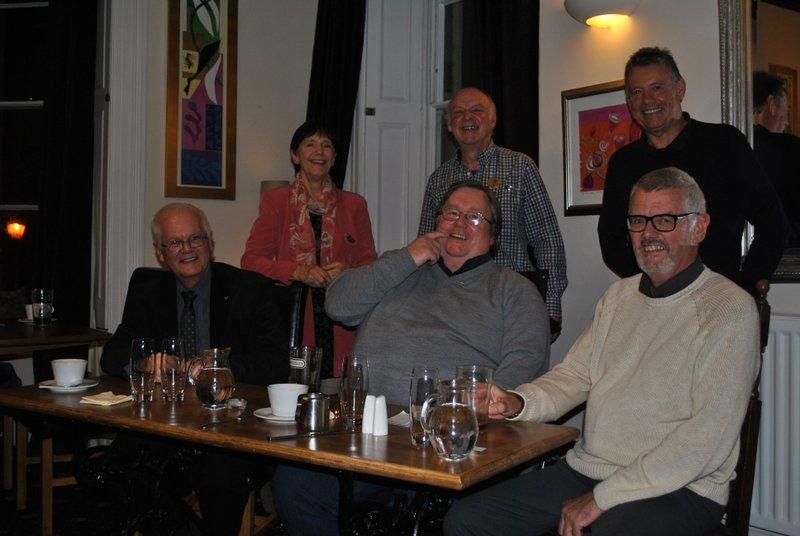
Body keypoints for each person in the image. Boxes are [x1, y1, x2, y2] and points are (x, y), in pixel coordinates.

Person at [444, 168, 760, 536]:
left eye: (665, 220)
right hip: (589, 470)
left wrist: (603, 498)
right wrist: (517, 402)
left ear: (699, 227)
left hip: (681, 487)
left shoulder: (729, 309)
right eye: (638, 221)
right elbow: (574, 376)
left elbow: (703, 442)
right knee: (466, 520)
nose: (649, 233)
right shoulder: (618, 296)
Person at [272, 181, 550, 535]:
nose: (459, 222)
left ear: (493, 236)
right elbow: (338, 305)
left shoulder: (513, 290)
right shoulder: (400, 269)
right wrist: (408, 257)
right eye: (451, 212)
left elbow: (526, 363)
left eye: (474, 217)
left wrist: (474, 410)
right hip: (365, 432)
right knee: (295, 483)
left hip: (444, 442)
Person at [101, 203, 288, 536]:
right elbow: (112, 355)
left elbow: (275, 363)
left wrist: (219, 370)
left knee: (221, 476)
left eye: (195, 239)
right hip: (163, 423)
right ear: (160, 252)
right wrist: (144, 363)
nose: (187, 249)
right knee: (114, 470)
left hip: (229, 428)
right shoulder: (148, 292)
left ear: (210, 243)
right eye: (175, 242)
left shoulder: (250, 289)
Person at [598, 47, 788, 294]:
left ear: (680, 89)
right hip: (652, 303)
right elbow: (610, 239)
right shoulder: (622, 163)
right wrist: (648, 284)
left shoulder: (724, 144)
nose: (647, 101)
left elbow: (773, 223)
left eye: (657, 88)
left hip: (717, 299)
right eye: (636, 92)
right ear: (628, 101)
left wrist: (743, 288)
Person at [418, 87, 567, 340]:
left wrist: (550, 307)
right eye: (458, 112)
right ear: (449, 125)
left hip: (510, 299)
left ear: (493, 120)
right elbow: (427, 244)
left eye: (477, 110)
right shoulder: (438, 180)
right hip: (452, 302)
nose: (467, 117)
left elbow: (547, 240)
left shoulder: (520, 167)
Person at [242, 122, 377, 379]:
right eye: (310, 144)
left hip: (343, 321)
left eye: (327, 146)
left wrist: (348, 271)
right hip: (294, 320)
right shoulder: (276, 201)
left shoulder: (355, 205)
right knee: (297, 392)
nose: (319, 152)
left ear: (334, 158)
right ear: (295, 155)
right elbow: (251, 261)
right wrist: (298, 271)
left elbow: (371, 265)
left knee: (339, 393)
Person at [753, 70, 800, 247]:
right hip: (787, 247)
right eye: (786, 110)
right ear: (771, 103)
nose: (787, 121)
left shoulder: (733, 144)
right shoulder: (790, 150)